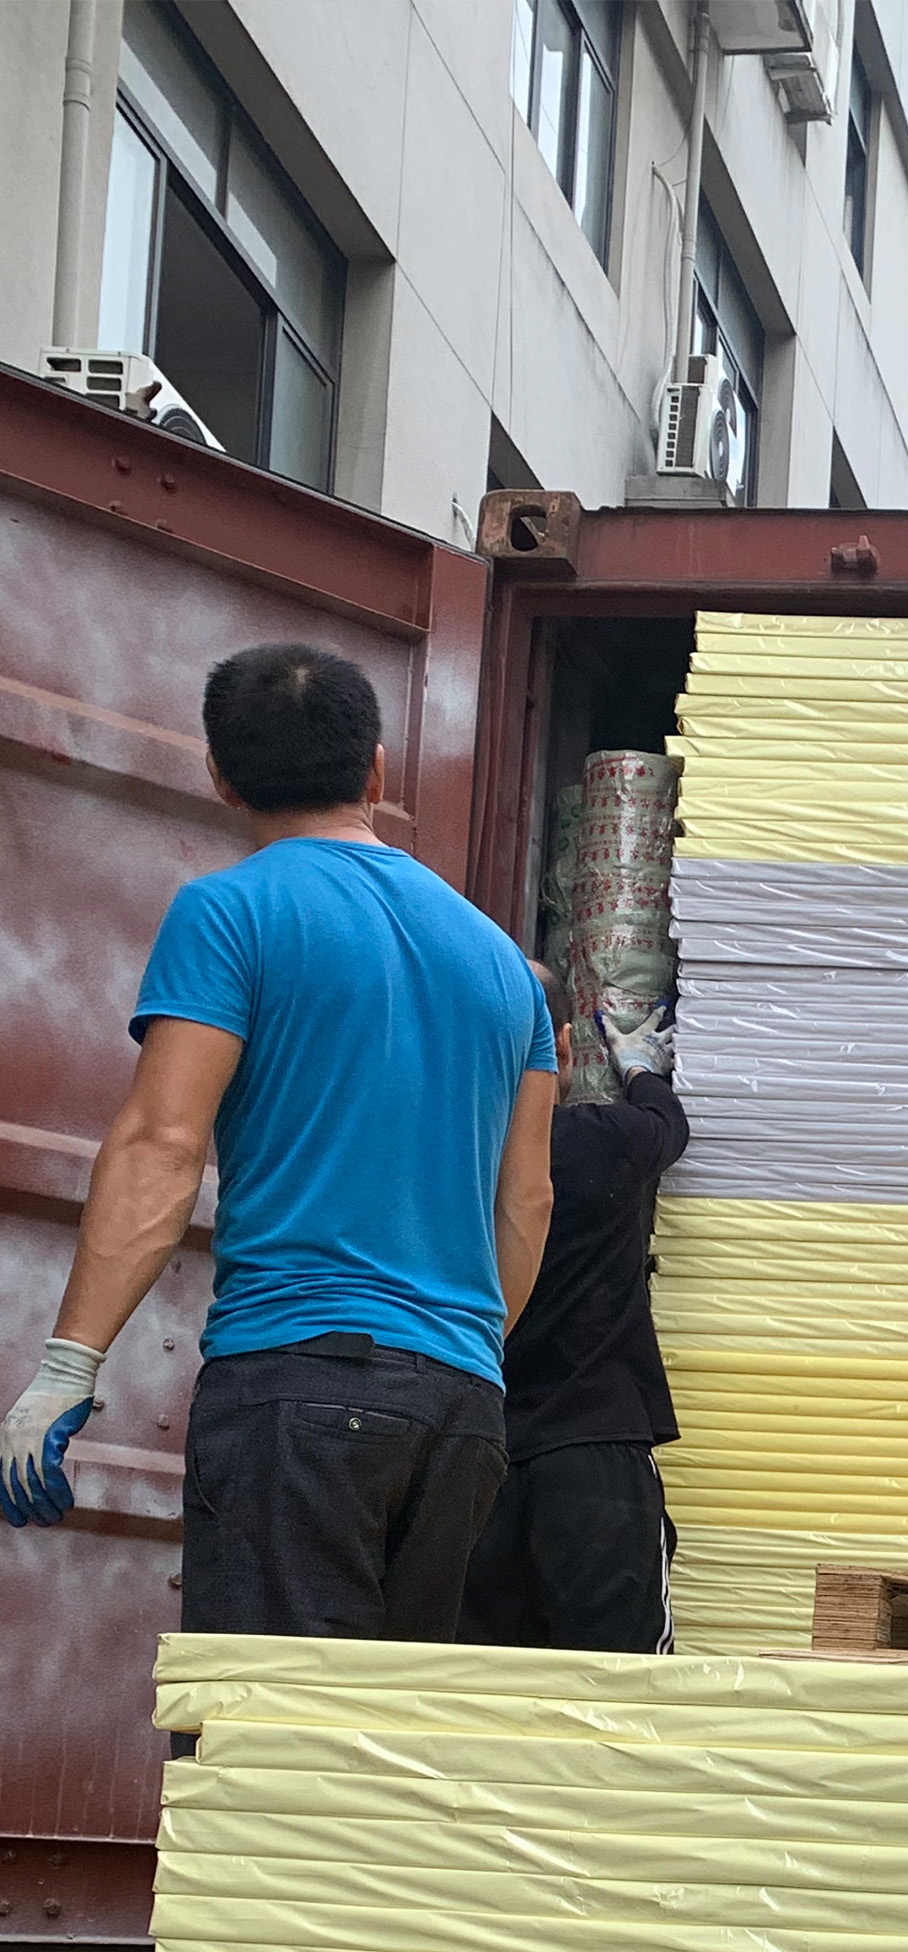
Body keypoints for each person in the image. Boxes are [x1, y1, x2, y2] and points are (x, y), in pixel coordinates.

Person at [0, 644, 556, 1648]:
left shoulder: (230, 912)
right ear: (376, 769)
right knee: (383, 1727)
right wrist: (453, 1358)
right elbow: (527, 1203)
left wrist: (66, 1370)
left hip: (299, 1389)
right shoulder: (503, 965)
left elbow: (163, 1144)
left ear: (220, 776)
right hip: (461, 1409)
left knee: (262, 1726)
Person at [460, 970, 688, 1653]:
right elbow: (668, 1126)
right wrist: (639, 1068)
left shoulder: (448, 1160)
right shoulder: (604, 1140)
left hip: (473, 1458)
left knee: (475, 1681)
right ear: (561, 1047)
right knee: (622, 1682)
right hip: (596, 1456)